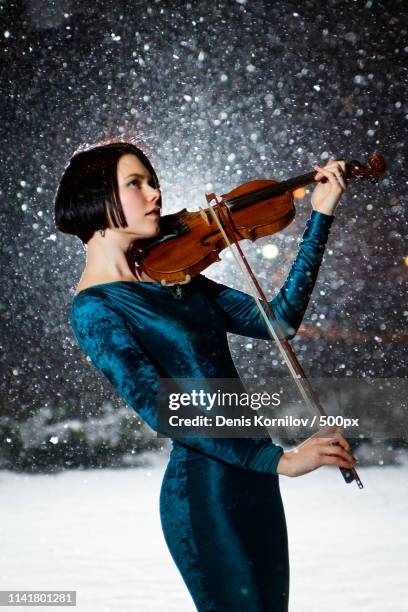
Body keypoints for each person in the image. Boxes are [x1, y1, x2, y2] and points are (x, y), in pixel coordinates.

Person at [54, 138, 357, 611]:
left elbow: (279, 322)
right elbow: (162, 409)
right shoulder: (95, 308)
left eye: (152, 181)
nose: (155, 194)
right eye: (135, 184)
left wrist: (320, 216)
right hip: (207, 490)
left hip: (254, 483)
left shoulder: (175, 275)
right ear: (93, 199)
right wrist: (280, 461)